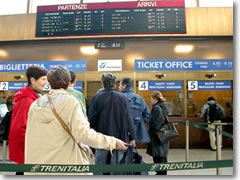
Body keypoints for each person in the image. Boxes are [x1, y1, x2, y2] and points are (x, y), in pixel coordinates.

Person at [25, 66, 128, 175]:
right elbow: (83, 134)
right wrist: (112, 142)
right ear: (68, 82)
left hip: (37, 167)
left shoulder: (35, 104)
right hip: (63, 167)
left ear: (49, 83)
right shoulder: (70, 102)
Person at [88, 73, 135, 174]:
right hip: (120, 136)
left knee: (99, 165)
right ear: (114, 84)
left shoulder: (96, 97)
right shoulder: (123, 98)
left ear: (102, 84)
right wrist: (132, 137)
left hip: (102, 137)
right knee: (116, 167)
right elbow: (128, 119)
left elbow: (91, 119)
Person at [8, 65, 48, 168]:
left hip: (28, 148)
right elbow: (19, 127)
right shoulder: (27, 100)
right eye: (43, 79)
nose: (46, 82)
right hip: (25, 148)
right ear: (33, 80)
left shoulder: (33, 96)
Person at [119, 77, 150, 143]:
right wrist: (139, 122)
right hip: (135, 132)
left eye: (120, 85)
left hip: (121, 131)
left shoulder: (118, 97)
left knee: (121, 150)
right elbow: (147, 114)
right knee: (132, 150)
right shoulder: (139, 98)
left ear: (124, 86)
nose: (119, 87)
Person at [147, 91, 169, 175]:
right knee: (163, 156)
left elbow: (156, 123)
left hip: (157, 137)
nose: (151, 100)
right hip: (164, 135)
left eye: (151, 98)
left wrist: (150, 121)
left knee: (158, 156)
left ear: (154, 99)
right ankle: (163, 173)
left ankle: (160, 174)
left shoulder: (156, 108)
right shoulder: (164, 106)